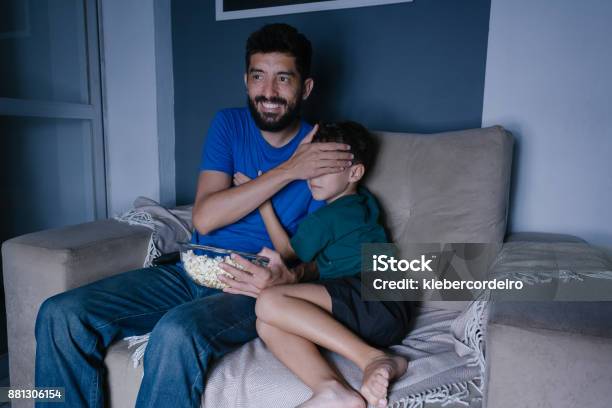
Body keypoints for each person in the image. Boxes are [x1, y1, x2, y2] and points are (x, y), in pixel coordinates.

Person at [34, 23, 353, 408]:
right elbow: (205, 218)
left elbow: (322, 252)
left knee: (176, 332)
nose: (268, 92)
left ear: (305, 88)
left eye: (283, 79)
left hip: (250, 288)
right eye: (258, 77)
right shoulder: (229, 125)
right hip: (193, 268)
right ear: (246, 81)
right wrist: (287, 170)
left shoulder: (324, 152)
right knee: (61, 314)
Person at [224, 122, 411, 408]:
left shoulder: (330, 217)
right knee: (269, 324)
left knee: (268, 302)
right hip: (389, 305)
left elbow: (286, 251)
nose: (313, 176)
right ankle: (332, 390)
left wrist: (262, 203)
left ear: (355, 172)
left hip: (374, 296)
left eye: (326, 166)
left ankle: (372, 358)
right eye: (313, 166)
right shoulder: (363, 204)